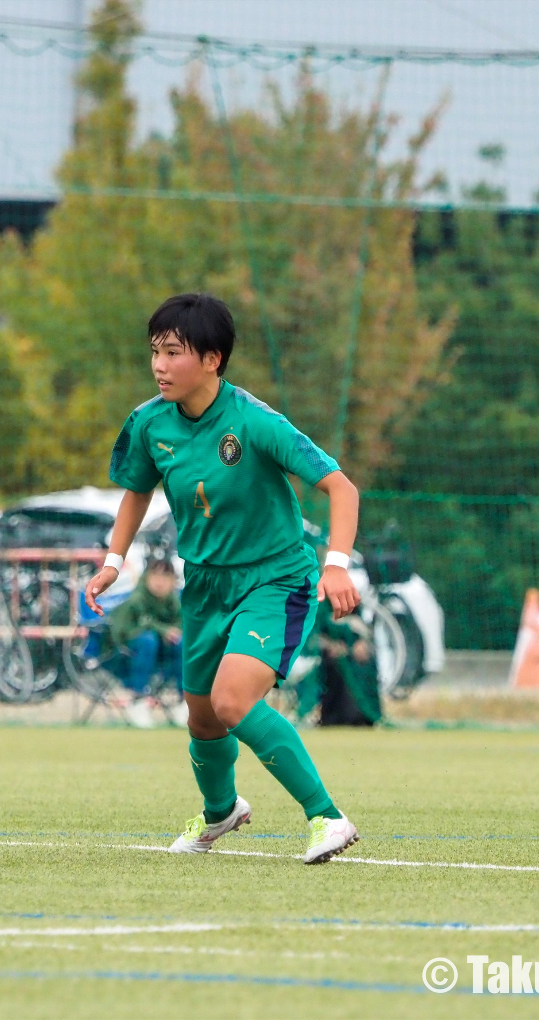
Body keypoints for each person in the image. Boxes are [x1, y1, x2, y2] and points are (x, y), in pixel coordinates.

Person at [84, 292, 363, 865]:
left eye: (174, 353)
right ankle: (221, 813)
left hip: (275, 579)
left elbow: (341, 486)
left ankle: (327, 818)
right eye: (155, 352)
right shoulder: (148, 423)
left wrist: (336, 563)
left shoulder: (254, 421)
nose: (159, 365)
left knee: (232, 700)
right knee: (202, 714)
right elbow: (137, 491)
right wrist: (114, 560)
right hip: (205, 585)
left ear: (212, 360)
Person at [105, 554, 186, 729]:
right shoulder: (137, 599)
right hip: (122, 654)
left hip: (159, 656)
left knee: (182, 642)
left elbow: (181, 623)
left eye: (166, 577)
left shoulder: (173, 601)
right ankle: (138, 700)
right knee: (147, 641)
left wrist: (174, 633)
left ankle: (185, 701)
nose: (160, 582)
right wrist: (164, 631)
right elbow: (139, 625)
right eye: (155, 576)